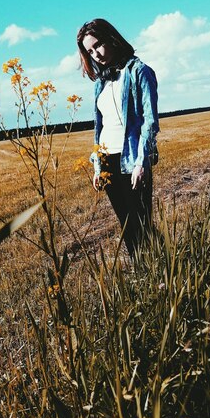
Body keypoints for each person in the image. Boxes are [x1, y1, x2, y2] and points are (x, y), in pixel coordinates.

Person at [77, 18, 159, 258]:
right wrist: (97, 165)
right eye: (90, 51)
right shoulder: (101, 82)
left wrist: (141, 162)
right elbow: (99, 127)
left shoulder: (139, 72)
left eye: (98, 45)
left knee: (141, 224)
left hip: (131, 158)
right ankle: (146, 272)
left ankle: (160, 274)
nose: (96, 54)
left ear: (112, 39)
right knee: (127, 226)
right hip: (107, 159)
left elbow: (149, 121)